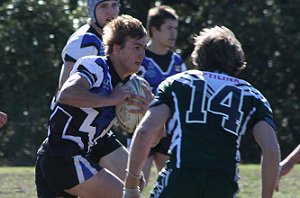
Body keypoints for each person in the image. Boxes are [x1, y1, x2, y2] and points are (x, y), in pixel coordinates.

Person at [124, 26, 280, 198]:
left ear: (199, 55)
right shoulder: (252, 94)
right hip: (223, 182)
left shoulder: (178, 83)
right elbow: (271, 149)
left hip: (181, 175)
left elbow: (146, 130)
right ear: (237, 58)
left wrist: (131, 186)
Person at [35, 15, 149, 198]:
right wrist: (111, 99)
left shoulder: (134, 84)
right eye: (136, 47)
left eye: (144, 48)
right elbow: (66, 94)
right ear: (117, 48)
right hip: (62, 155)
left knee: (136, 182)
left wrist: (148, 114)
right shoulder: (95, 66)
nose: (142, 55)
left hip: (91, 147)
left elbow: (158, 132)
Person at [134, 5, 187, 183]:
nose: (174, 34)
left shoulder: (178, 62)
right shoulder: (139, 58)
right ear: (154, 30)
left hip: (170, 129)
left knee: (171, 184)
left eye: (175, 29)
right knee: (138, 183)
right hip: (143, 126)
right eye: (169, 28)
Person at [58, 0, 120, 89]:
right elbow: (67, 89)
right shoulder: (85, 40)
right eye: (103, 6)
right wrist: (111, 100)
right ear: (92, 11)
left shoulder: (113, 38)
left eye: (114, 5)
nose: (110, 11)